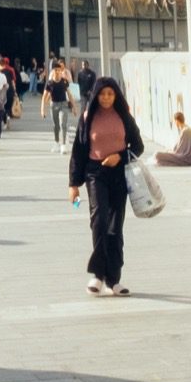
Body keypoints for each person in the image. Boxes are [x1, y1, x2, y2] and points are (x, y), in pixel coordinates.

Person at [67, 77, 145, 297]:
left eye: (110, 94)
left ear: (116, 95)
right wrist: (73, 184)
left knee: (115, 226)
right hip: (95, 173)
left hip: (119, 175)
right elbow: (78, 151)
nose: (106, 98)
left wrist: (119, 157)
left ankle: (114, 280)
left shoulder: (124, 117)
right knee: (99, 220)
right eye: (102, 94)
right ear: (96, 95)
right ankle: (98, 275)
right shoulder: (87, 117)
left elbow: (138, 146)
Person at [45, 60, 75, 144]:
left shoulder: (66, 74)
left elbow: (70, 84)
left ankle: (63, 144)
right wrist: (46, 103)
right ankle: (57, 141)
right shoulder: (52, 76)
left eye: (61, 68)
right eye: (58, 68)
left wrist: (73, 106)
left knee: (63, 124)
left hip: (63, 102)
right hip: (54, 103)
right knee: (56, 125)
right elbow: (50, 87)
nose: (60, 70)